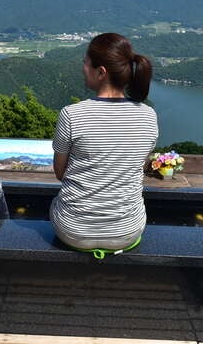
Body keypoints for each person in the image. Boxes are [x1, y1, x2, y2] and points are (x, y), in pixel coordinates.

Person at [51, 32, 158, 250]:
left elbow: (60, 173)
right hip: (127, 231)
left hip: (73, 230)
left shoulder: (72, 114)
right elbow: (137, 166)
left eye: (85, 63)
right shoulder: (148, 115)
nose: (83, 68)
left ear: (101, 72)